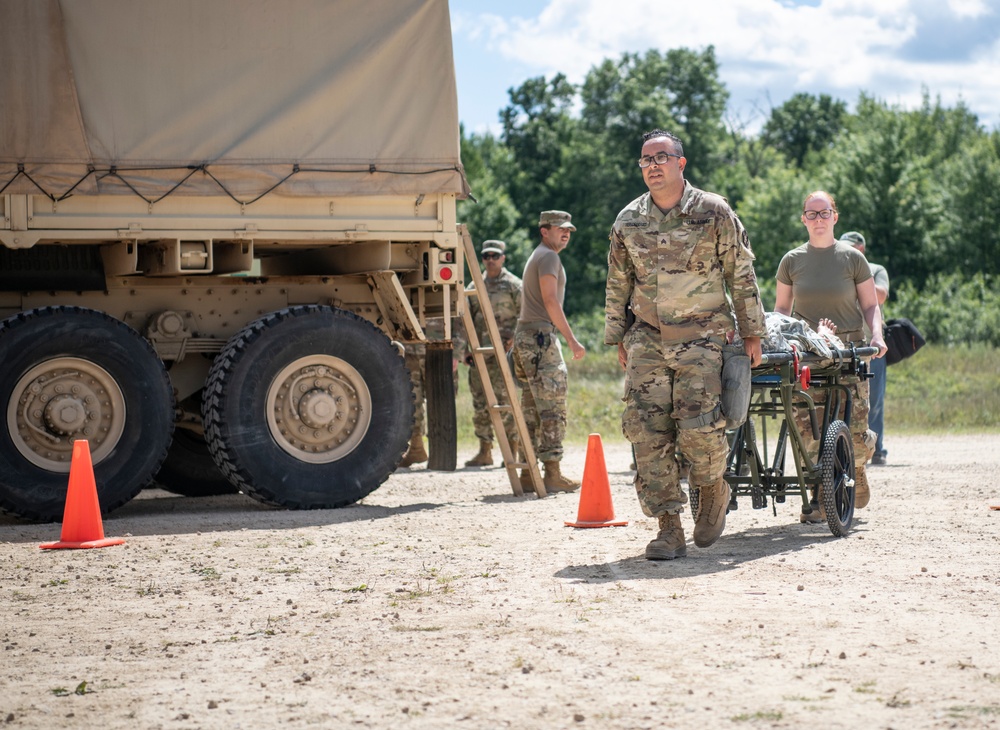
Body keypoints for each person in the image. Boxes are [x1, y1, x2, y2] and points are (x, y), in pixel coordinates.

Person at [605, 129, 766, 561]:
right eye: (645, 159)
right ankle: (668, 528)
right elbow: (618, 282)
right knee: (646, 433)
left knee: (700, 428)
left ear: (681, 163)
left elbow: (740, 272)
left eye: (661, 156)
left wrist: (752, 332)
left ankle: (713, 486)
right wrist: (618, 334)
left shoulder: (713, 211)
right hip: (648, 339)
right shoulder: (627, 220)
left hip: (703, 336)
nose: (652, 165)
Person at [774, 192, 887, 520]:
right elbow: (782, 310)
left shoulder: (852, 258)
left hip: (849, 354)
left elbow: (870, 304)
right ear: (803, 219)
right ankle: (819, 497)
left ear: (835, 217)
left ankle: (858, 466)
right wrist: (779, 342)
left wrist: (876, 335)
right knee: (810, 428)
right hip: (808, 355)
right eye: (812, 213)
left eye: (825, 213)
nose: (819, 219)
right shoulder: (792, 261)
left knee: (855, 432)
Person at [514, 210, 586, 492]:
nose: (565, 233)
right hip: (540, 337)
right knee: (552, 406)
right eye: (559, 229)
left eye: (568, 229)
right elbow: (550, 301)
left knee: (532, 406)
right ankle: (552, 473)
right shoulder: (549, 257)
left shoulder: (541, 255)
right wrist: (571, 340)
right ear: (544, 230)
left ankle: (528, 473)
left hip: (528, 337)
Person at [461, 240, 523, 467]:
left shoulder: (514, 285)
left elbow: (525, 315)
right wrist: (466, 349)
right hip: (480, 354)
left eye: (494, 256)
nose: (490, 260)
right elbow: (466, 319)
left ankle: (512, 451)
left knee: (506, 402)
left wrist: (515, 340)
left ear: (503, 258)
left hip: (504, 354)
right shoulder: (474, 286)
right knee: (480, 402)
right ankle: (484, 450)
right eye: (486, 256)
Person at [841, 230, 890, 466]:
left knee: (875, 398)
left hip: (872, 346)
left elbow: (880, 296)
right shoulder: (839, 270)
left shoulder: (877, 269)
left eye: (851, 247)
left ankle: (877, 448)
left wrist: (861, 272)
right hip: (845, 345)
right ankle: (851, 448)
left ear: (861, 250)